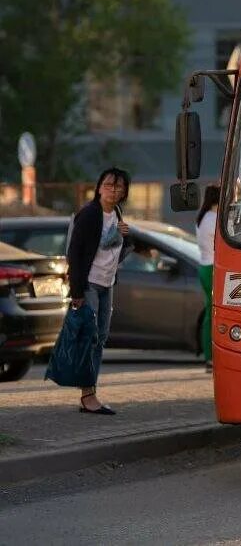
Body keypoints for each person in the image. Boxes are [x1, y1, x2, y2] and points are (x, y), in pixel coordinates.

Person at [67, 167, 132, 414]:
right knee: (91, 338)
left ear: (124, 191)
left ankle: (89, 392)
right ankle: (88, 395)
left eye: (118, 186)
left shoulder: (116, 212)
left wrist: (124, 236)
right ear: (98, 187)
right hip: (90, 283)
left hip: (107, 283)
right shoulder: (89, 214)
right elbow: (74, 253)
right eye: (108, 185)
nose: (113, 190)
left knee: (101, 338)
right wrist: (77, 292)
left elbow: (112, 249)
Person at [196, 183, 220, 373]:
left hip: (204, 267)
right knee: (213, 314)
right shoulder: (214, 219)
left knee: (208, 313)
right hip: (212, 268)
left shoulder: (202, 218)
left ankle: (208, 357)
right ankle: (211, 357)